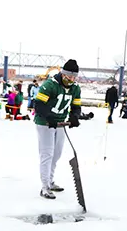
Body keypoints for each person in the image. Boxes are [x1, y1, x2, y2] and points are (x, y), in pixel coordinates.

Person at [33, 59, 81, 199]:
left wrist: (74, 117)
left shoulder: (75, 88)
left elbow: (76, 106)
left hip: (60, 123)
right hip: (44, 123)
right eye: (69, 77)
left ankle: (51, 180)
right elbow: (39, 105)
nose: (71, 79)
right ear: (63, 74)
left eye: (74, 77)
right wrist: (49, 118)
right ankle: (45, 186)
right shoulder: (50, 85)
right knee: (47, 153)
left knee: (57, 153)